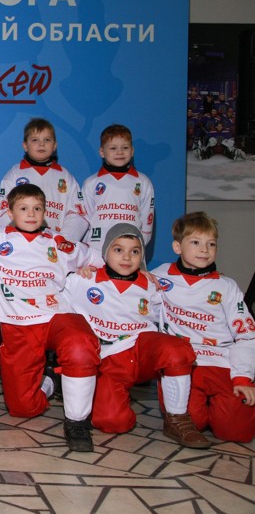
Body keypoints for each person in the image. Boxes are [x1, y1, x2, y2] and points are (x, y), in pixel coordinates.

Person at [0, 183, 104, 451]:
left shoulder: (57, 242)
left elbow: (99, 258)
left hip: (56, 316)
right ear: (10, 212)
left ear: (45, 213)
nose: (31, 214)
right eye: (24, 208)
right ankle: (50, 381)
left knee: (80, 345)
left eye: (37, 208)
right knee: (22, 408)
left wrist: (89, 270)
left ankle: (77, 422)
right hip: (18, 325)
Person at [65, 223, 209, 448]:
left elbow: (185, 295)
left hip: (140, 351)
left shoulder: (151, 284)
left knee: (176, 349)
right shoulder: (83, 280)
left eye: (134, 251)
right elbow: (52, 285)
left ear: (142, 255)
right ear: (105, 252)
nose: (127, 257)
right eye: (118, 250)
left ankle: (177, 419)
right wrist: (77, 269)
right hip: (108, 359)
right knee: (113, 421)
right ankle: (104, 397)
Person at [152, 212, 255, 443]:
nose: (204, 250)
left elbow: (247, 336)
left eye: (211, 244)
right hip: (184, 365)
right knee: (193, 422)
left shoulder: (227, 287)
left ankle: (223, 407)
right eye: (195, 242)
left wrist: (243, 377)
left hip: (222, 364)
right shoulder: (159, 278)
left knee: (236, 432)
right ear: (177, 247)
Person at [0, 117, 88, 240]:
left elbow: (77, 214)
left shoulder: (65, 176)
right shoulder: (14, 174)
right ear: (25, 145)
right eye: (35, 140)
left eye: (47, 140)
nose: (41, 144)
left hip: (55, 244)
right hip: (21, 242)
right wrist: (15, 239)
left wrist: (63, 241)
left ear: (54, 145)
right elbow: (4, 212)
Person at [81, 125, 154, 249]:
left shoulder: (143, 182)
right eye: (113, 148)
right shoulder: (91, 183)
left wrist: (138, 247)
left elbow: (147, 220)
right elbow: (84, 219)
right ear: (102, 152)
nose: (120, 152)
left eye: (125, 147)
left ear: (132, 151)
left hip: (130, 251)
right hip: (96, 249)